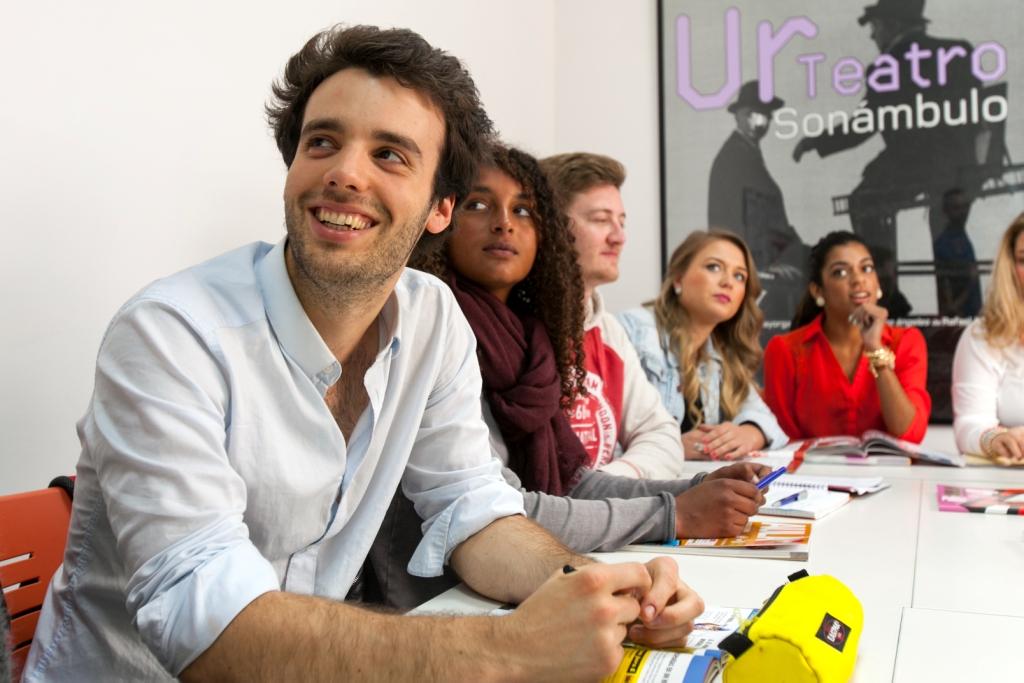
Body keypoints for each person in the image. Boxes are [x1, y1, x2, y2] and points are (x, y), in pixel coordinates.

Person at [24, 26, 702, 682]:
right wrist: (508, 649)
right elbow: (208, 623)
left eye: (389, 154)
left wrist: (602, 591)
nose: (344, 173)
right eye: (322, 142)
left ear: (439, 207)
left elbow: (472, 508)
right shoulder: (169, 334)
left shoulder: (433, 317)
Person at [400, 145, 767, 595]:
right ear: (443, 216)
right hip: (433, 594)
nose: (504, 222)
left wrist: (695, 486)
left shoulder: (530, 338)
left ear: (545, 234)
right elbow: (499, 509)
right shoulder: (435, 322)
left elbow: (571, 478)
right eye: (478, 205)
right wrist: (674, 510)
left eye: (523, 210)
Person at [792, 0, 980, 258]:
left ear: (893, 25)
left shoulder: (886, 68)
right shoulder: (958, 52)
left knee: (863, 202)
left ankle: (879, 274)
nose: (872, 35)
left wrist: (815, 141)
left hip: (914, 166)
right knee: (949, 235)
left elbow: (863, 126)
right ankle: (958, 294)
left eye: (876, 26)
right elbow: (977, 110)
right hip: (962, 167)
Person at [540, 152, 684, 479]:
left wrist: (605, 487)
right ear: (551, 225)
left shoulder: (608, 330)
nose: (619, 237)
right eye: (602, 219)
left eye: (621, 221)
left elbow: (661, 434)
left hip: (602, 517)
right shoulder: (510, 329)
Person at [618, 230, 788, 460]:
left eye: (739, 276)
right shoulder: (631, 330)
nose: (728, 282)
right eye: (714, 267)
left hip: (689, 487)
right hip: (631, 490)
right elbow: (592, 439)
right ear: (678, 279)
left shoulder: (721, 352)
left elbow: (768, 422)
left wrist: (749, 433)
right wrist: (670, 447)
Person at [763, 231, 931, 442]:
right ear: (818, 292)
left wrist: (874, 347)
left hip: (890, 473)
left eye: (866, 268)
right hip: (812, 473)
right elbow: (782, 438)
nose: (859, 279)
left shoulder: (906, 341)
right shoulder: (785, 350)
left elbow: (908, 433)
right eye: (840, 272)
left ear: (877, 283)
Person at [707, 80, 807, 324]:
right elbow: (729, 222)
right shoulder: (734, 157)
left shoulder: (747, 152)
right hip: (753, 264)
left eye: (765, 116)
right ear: (738, 116)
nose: (759, 123)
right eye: (752, 115)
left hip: (766, 259)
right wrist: (759, 267)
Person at [951, 213, 1024, 465]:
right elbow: (969, 424)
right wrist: (993, 439)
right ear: (1011, 268)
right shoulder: (981, 336)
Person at [934, 188, 982, 318]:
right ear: (946, 211)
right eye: (956, 208)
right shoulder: (943, 245)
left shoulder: (965, 236)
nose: (962, 212)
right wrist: (972, 280)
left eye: (964, 207)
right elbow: (950, 305)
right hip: (960, 320)